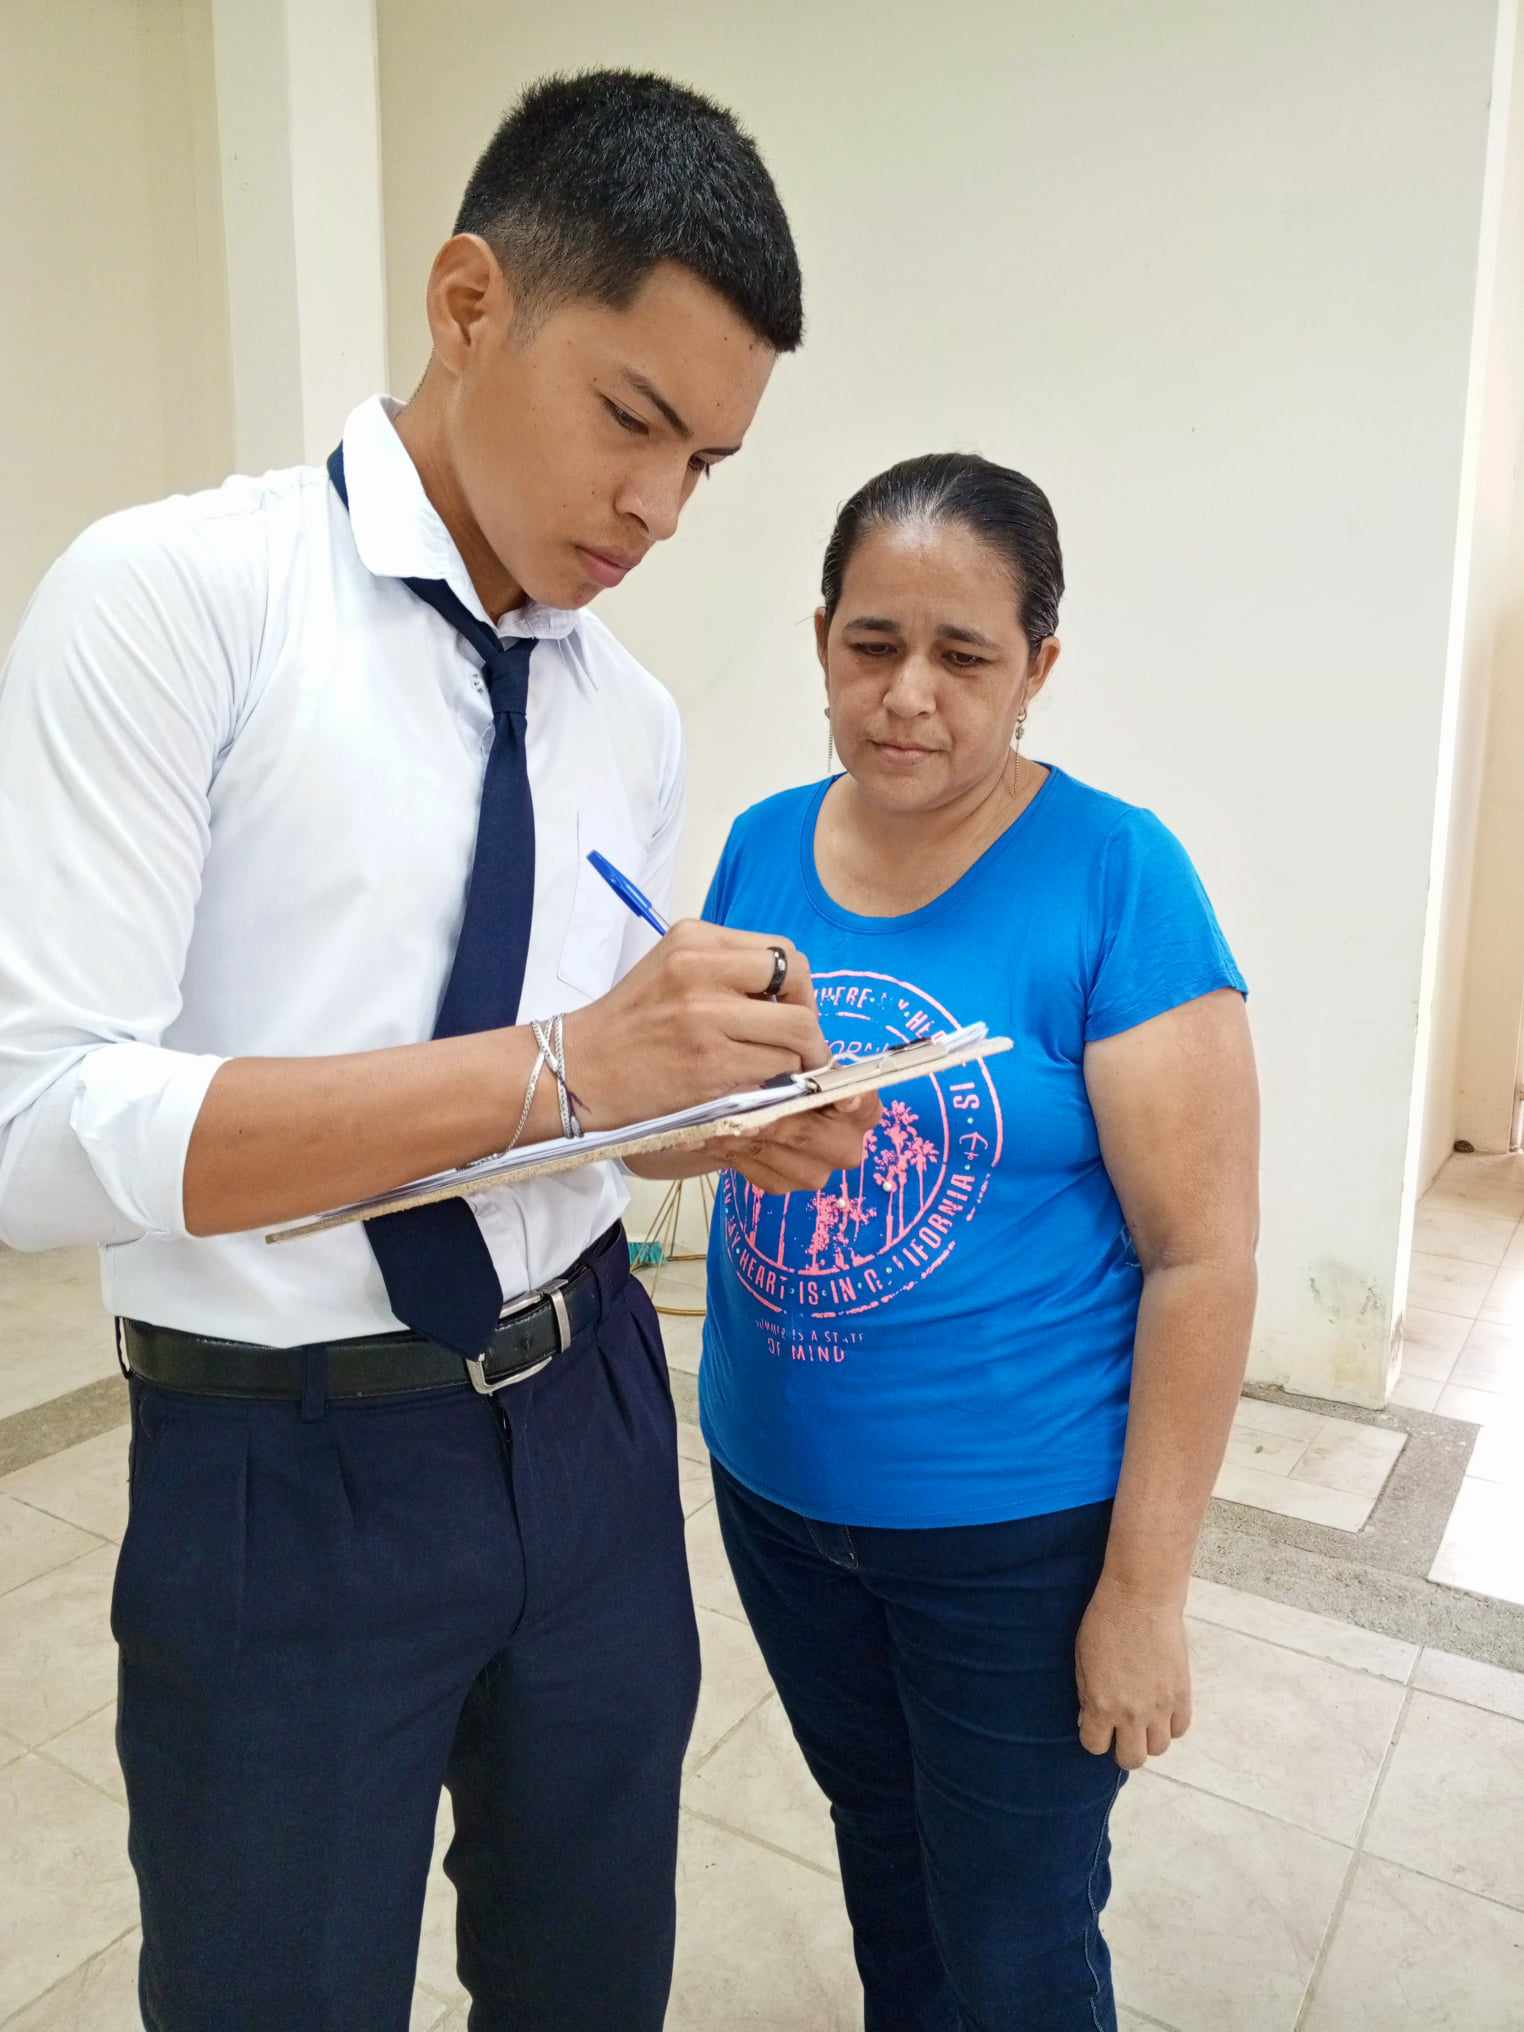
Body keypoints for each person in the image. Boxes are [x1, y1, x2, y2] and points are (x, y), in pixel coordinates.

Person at [0, 70, 875, 2032]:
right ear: (469, 300)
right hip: (285, 1460)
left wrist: (708, 1113)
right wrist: (570, 1064)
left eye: (708, 461)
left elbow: (572, 1117)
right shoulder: (179, 603)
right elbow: (36, 1129)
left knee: (590, 1976)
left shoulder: (625, 713)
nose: (658, 507)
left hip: (589, 1418)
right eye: (630, 418)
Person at [692, 454, 1259, 2029]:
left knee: (1014, 1937)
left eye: (964, 656)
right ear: (821, 640)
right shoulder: (757, 847)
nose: (907, 697)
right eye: (872, 645)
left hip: (1016, 1540)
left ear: (1038, 670)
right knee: (886, 1860)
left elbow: (1204, 1257)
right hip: (779, 1497)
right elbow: (684, 1120)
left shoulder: (1116, 874)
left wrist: (1144, 1591)